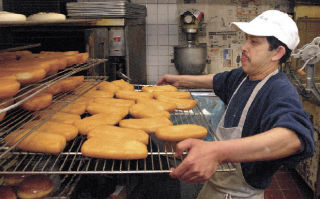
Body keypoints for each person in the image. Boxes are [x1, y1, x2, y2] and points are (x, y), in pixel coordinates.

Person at [156, 10, 315, 199]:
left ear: (277, 52)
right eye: (247, 39)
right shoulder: (243, 76)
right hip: (214, 186)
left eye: (254, 42)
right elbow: (216, 79)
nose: (244, 47)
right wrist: (179, 80)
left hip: (239, 194)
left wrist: (217, 151)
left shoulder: (279, 89)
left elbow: (294, 138)